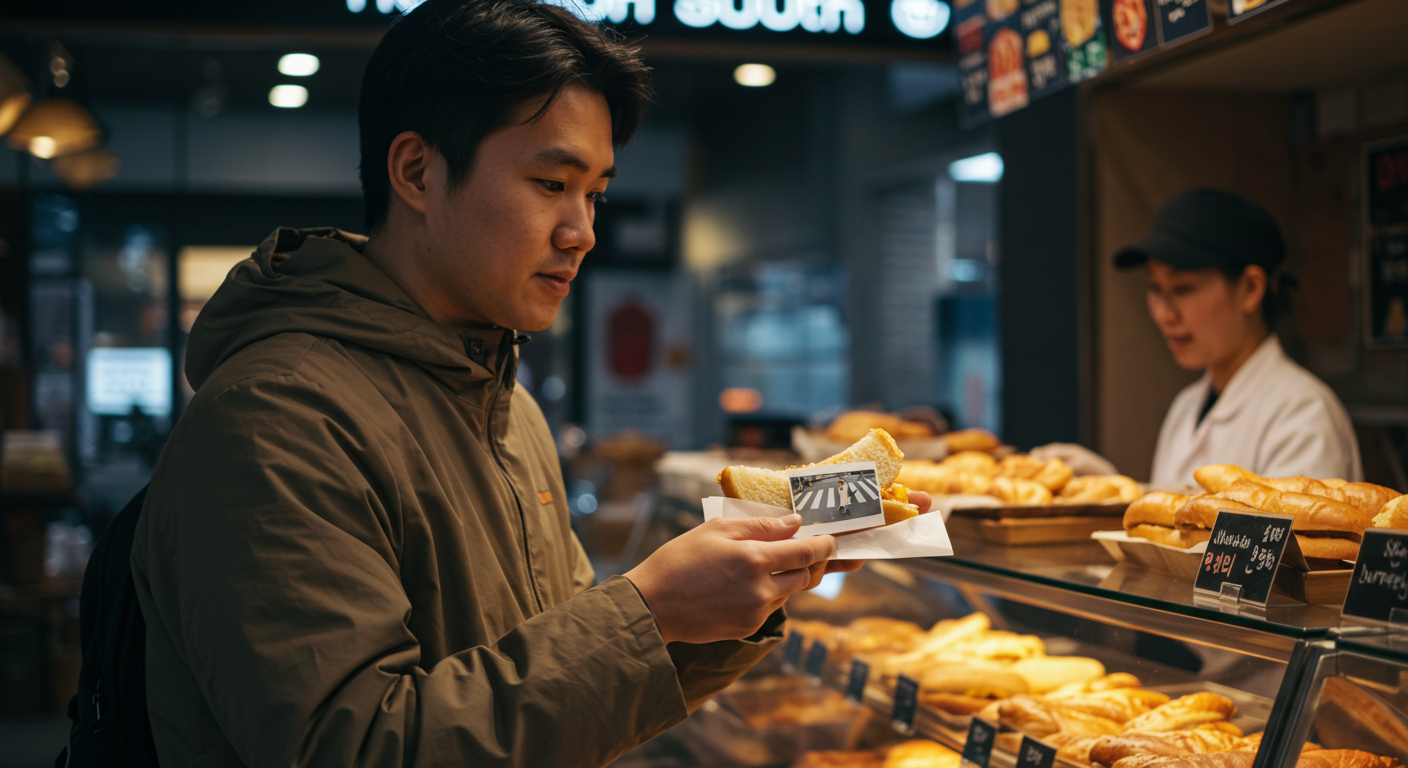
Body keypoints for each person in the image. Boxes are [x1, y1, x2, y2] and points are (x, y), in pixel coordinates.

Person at [129, 2, 930, 766]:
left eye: (596, 194)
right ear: (417, 171)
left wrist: (727, 605)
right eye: (552, 184)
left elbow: (551, 696)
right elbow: (355, 747)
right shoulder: (275, 417)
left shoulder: (508, 409)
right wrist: (650, 612)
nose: (583, 232)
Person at [1033, 189, 1361, 487]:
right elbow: (1174, 517)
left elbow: (1290, 531)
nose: (1164, 314)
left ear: (1250, 289)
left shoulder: (1303, 415)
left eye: (1182, 288)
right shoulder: (1186, 406)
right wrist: (1114, 491)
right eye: (1154, 288)